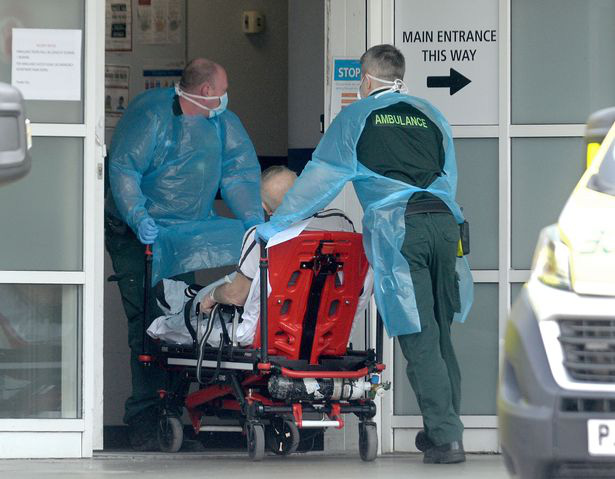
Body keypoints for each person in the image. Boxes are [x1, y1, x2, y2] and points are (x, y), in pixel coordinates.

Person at [256, 45, 473, 464]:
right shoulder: (430, 114)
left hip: (403, 229)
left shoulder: (357, 117)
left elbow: (319, 179)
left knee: (420, 335)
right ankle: (443, 430)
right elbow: (449, 177)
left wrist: (277, 223)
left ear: (367, 79)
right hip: (445, 225)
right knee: (441, 334)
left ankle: (447, 438)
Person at [105, 58, 263, 451]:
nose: (226, 97)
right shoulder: (151, 115)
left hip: (183, 237)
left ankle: (169, 414)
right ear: (207, 91)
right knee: (148, 322)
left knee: (181, 321)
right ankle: (145, 420)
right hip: (137, 234)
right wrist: (137, 215)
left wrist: (254, 222)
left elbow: (239, 174)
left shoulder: (221, 124)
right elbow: (124, 169)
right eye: (223, 90)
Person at [147, 165, 373, 347]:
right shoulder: (341, 223)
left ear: (266, 208)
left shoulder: (262, 237)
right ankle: (186, 296)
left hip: (267, 335)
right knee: (241, 280)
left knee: (193, 315)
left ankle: (187, 302)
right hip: (327, 331)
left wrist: (212, 297)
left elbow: (236, 296)